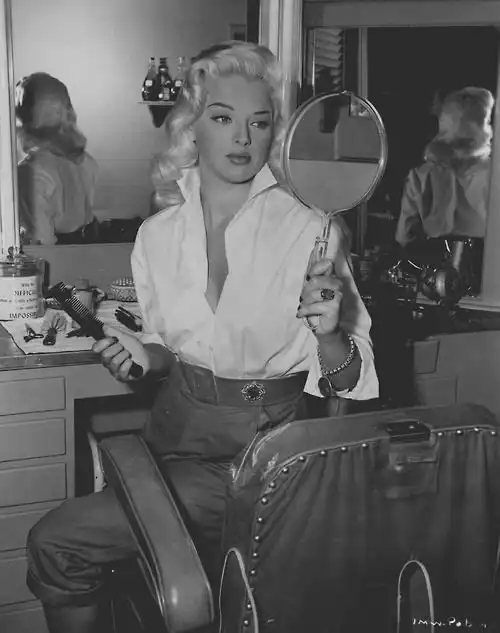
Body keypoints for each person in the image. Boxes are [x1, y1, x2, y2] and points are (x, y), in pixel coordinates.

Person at [25, 42, 378, 633]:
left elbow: (350, 377)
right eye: (222, 117)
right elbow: (171, 349)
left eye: (258, 123)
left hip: (264, 452)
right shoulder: (158, 236)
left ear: (274, 134)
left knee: (58, 543)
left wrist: (332, 333)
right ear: (192, 127)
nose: (242, 137)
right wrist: (143, 357)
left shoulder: (311, 230)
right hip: (174, 435)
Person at [395, 86, 494, 248]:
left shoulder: (419, 176)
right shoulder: (494, 178)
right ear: (484, 127)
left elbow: (404, 238)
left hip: (432, 262)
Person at [15, 72, 99, 245]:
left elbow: (42, 242)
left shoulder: (30, 174)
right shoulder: (85, 160)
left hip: (69, 253)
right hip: (85, 248)